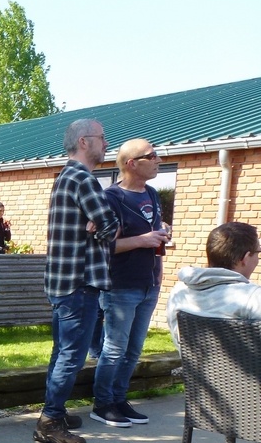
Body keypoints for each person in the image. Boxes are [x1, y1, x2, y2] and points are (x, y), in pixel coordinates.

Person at [34, 118, 120, 443]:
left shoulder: (64, 176)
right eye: (102, 137)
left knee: (62, 352)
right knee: (71, 356)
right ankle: (50, 422)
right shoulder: (84, 179)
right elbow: (110, 227)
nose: (106, 143)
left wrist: (95, 225)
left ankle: (53, 411)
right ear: (84, 141)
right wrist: (100, 226)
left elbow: (99, 224)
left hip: (61, 282)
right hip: (80, 282)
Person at [91, 139, 170, 428]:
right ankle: (102, 404)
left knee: (134, 349)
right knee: (114, 348)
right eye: (152, 156)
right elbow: (105, 246)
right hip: (121, 285)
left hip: (150, 283)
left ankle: (119, 399)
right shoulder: (111, 198)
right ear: (132, 164)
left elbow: (150, 233)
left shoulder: (151, 193)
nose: (159, 160)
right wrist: (143, 240)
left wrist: (161, 232)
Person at [167, 221, 261, 349]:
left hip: (194, 362)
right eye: (258, 252)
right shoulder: (254, 297)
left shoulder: (179, 291)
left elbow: (179, 342)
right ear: (245, 257)